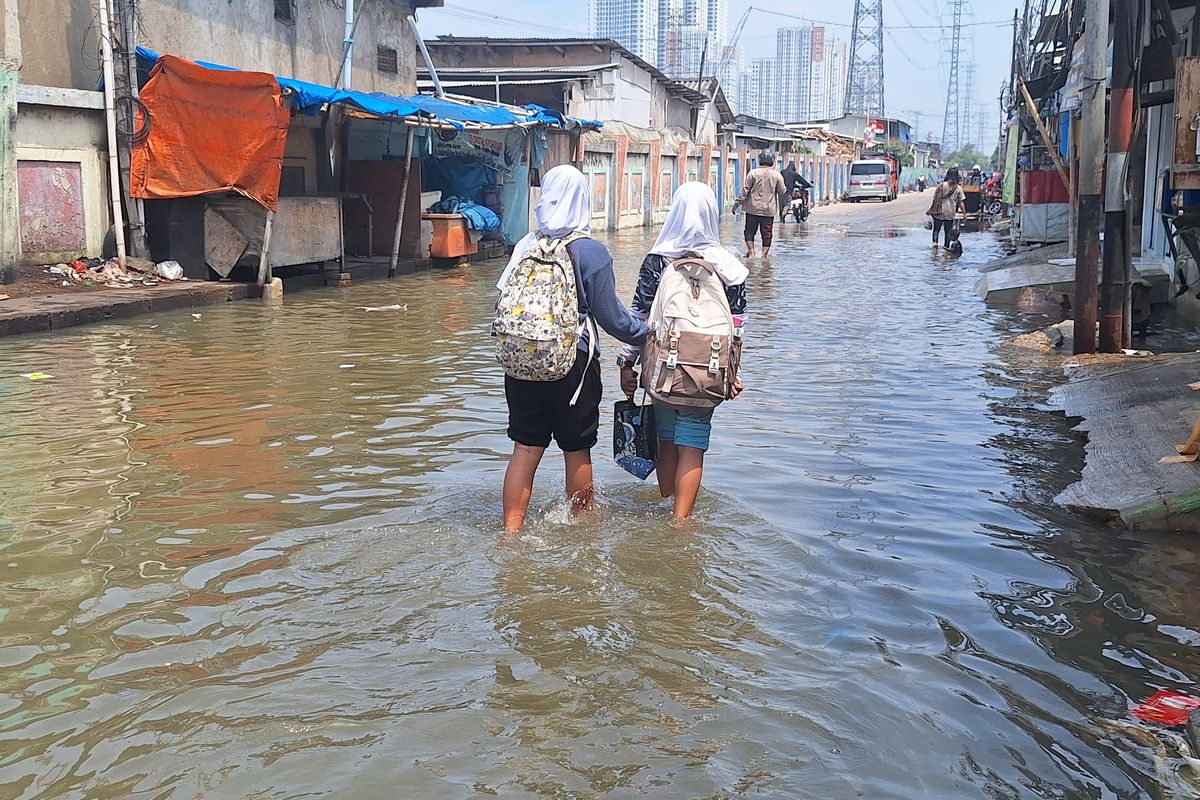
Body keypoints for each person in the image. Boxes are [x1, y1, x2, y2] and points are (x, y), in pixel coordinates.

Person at [497, 165, 647, 533]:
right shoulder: (590, 252)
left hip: (521, 362)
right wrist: (647, 334)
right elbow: (612, 319)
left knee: (525, 447)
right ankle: (580, 530)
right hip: (573, 365)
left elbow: (502, 301)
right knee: (576, 449)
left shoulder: (524, 246)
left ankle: (511, 533)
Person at [618, 182, 747, 520]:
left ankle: (665, 505)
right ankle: (681, 521)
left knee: (665, 438)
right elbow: (736, 327)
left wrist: (626, 364)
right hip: (710, 369)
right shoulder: (730, 268)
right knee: (693, 441)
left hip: (664, 367)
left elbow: (638, 318)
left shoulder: (658, 261)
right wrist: (734, 374)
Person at [736, 151, 787, 259]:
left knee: (749, 230)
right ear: (772, 161)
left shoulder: (752, 173)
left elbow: (745, 191)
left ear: (760, 160)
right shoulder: (777, 175)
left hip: (752, 208)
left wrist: (737, 204)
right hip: (768, 210)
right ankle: (764, 256)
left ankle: (751, 252)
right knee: (767, 233)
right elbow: (782, 191)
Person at [927, 167, 966, 251]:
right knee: (947, 231)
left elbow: (935, 199)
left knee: (936, 229)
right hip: (950, 213)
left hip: (939, 212)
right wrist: (964, 213)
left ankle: (934, 245)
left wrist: (932, 210)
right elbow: (961, 202)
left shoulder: (940, 186)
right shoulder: (958, 188)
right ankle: (946, 247)